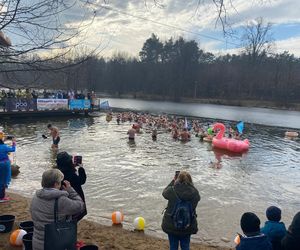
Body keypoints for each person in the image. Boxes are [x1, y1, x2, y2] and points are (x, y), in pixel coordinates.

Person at [30, 169, 85, 250]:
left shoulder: (36, 196)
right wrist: (70, 190)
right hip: (54, 243)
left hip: (37, 242)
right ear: (56, 184)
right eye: (60, 182)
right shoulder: (60, 200)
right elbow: (80, 205)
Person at [162, 171, 200, 250]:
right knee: (185, 246)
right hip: (187, 225)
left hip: (171, 224)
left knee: (173, 246)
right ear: (190, 180)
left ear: (177, 179)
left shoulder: (172, 190)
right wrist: (191, 186)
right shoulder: (194, 192)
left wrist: (173, 181)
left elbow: (164, 193)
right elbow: (197, 199)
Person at [56, 151, 87, 221]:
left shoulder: (57, 173)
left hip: (63, 200)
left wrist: (73, 167)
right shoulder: (71, 174)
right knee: (75, 216)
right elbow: (82, 180)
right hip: (74, 197)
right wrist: (81, 168)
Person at [0, 132, 16, 201]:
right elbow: (13, 149)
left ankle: (1, 196)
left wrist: (3, 140)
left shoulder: (3, 146)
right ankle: (2, 197)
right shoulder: (4, 147)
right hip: (4, 164)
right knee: (4, 180)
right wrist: (14, 142)